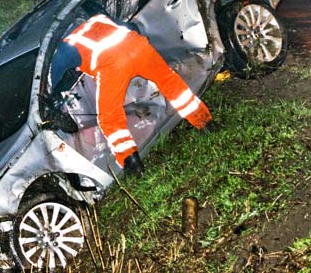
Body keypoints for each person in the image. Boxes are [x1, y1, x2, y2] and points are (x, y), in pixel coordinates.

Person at [51, 10, 213, 176]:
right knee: (171, 83)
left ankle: (131, 162)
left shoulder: (69, 44)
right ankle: (205, 122)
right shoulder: (98, 18)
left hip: (112, 64)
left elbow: (54, 75)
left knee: (109, 117)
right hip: (139, 46)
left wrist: (49, 96)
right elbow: (131, 26)